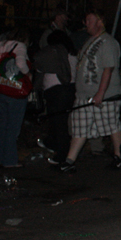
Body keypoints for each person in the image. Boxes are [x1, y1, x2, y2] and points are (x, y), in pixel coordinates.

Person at [59, 10, 121, 173]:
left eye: (89, 20)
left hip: (105, 95)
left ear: (100, 22)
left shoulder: (108, 42)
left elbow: (108, 69)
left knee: (112, 126)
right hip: (83, 95)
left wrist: (100, 93)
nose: (85, 23)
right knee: (80, 127)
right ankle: (69, 160)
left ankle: (120, 156)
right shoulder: (89, 40)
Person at [0, 27, 31, 168]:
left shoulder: (2, 44)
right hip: (15, 91)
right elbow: (21, 63)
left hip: (0, 89)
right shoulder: (20, 46)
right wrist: (27, 74)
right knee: (12, 127)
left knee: (0, 126)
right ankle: (10, 160)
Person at [33, 30, 77, 164]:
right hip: (70, 90)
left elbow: (39, 62)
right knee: (58, 121)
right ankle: (52, 143)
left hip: (56, 91)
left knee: (59, 123)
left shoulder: (54, 54)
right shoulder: (73, 54)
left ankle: (62, 155)